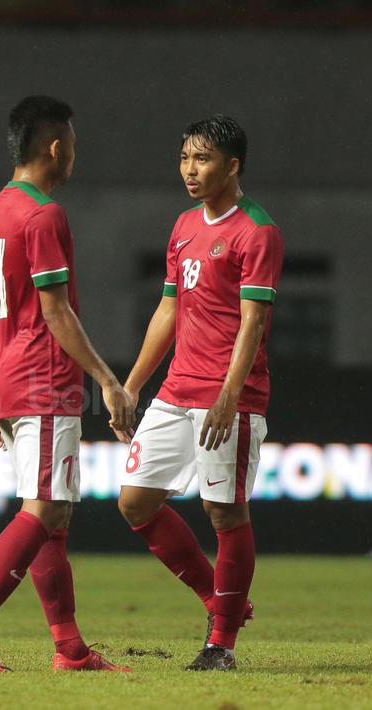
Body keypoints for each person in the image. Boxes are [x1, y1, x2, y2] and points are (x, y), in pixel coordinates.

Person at [0, 95, 135, 673]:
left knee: (56, 516)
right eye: (72, 144)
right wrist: (107, 379)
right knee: (45, 507)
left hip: (12, 375)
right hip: (44, 377)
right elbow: (55, 312)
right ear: (55, 147)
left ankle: (69, 648)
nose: (75, 154)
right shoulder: (43, 214)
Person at [116, 115, 284, 671]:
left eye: (203, 159)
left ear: (232, 166)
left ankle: (222, 645)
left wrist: (230, 394)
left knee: (225, 514)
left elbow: (253, 322)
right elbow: (169, 307)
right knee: (135, 501)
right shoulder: (185, 223)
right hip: (176, 388)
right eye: (185, 157)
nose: (190, 170)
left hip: (226, 395)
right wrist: (134, 383)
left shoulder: (256, 232)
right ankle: (220, 603)